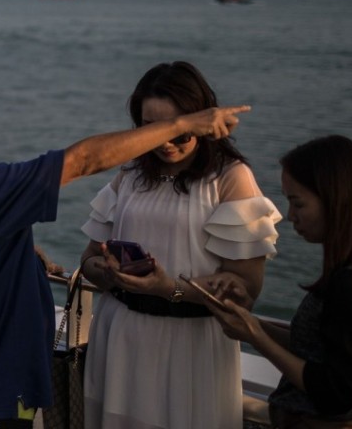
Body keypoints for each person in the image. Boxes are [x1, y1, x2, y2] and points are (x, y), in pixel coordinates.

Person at [0, 69, 251, 427]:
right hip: (5, 383)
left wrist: (16, 251)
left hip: (184, 348)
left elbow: (246, 289)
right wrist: (182, 124)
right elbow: (83, 167)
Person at [78, 61, 282, 429]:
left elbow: (245, 291)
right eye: (151, 130)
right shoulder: (130, 176)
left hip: (191, 347)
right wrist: (107, 272)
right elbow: (89, 260)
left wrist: (167, 287)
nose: (166, 142)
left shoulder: (230, 179)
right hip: (119, 338)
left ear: (201, 122)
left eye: (179, 132)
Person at [207, 135, 352, 429]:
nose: (290, 216)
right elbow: (316, 349)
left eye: (298, 203)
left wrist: (255, 337)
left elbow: (336, 393)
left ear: (334, 199)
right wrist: (252, 324)